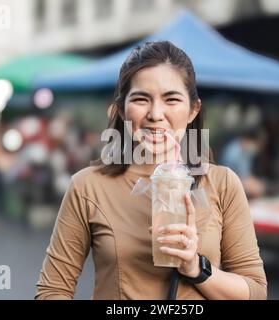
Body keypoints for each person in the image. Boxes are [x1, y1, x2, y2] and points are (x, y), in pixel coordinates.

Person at [35, 41, 267, 300]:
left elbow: (255, 293)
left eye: (172, 99)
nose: (156, 114)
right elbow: (53, 290)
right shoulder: (88, 186)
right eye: (141, 99)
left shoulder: (222, 183)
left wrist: (195, 267)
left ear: (193, 110)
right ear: (122, 110)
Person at [220, 129, 266, 198]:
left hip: (238, 184)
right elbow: (229, 179)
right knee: (257, 189)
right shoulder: (233, 153)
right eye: (257, 145)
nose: (257, 148)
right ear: (249, 140)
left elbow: (246, 174)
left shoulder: (246, 152)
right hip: (228, 187)